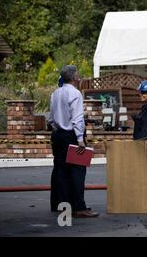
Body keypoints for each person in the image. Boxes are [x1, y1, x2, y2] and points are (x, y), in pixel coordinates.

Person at [48, 65, 99, 218]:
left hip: (57, 135)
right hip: (71, 135)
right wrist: (80, 140)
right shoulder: (75, 93)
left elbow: (51, 118)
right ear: (74, 77)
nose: (79, 75)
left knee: (61, 171)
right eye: (77, 73)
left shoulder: (55, 93)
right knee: (77, 171)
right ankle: (78, 208)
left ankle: (63, 206)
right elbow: (77, 119)